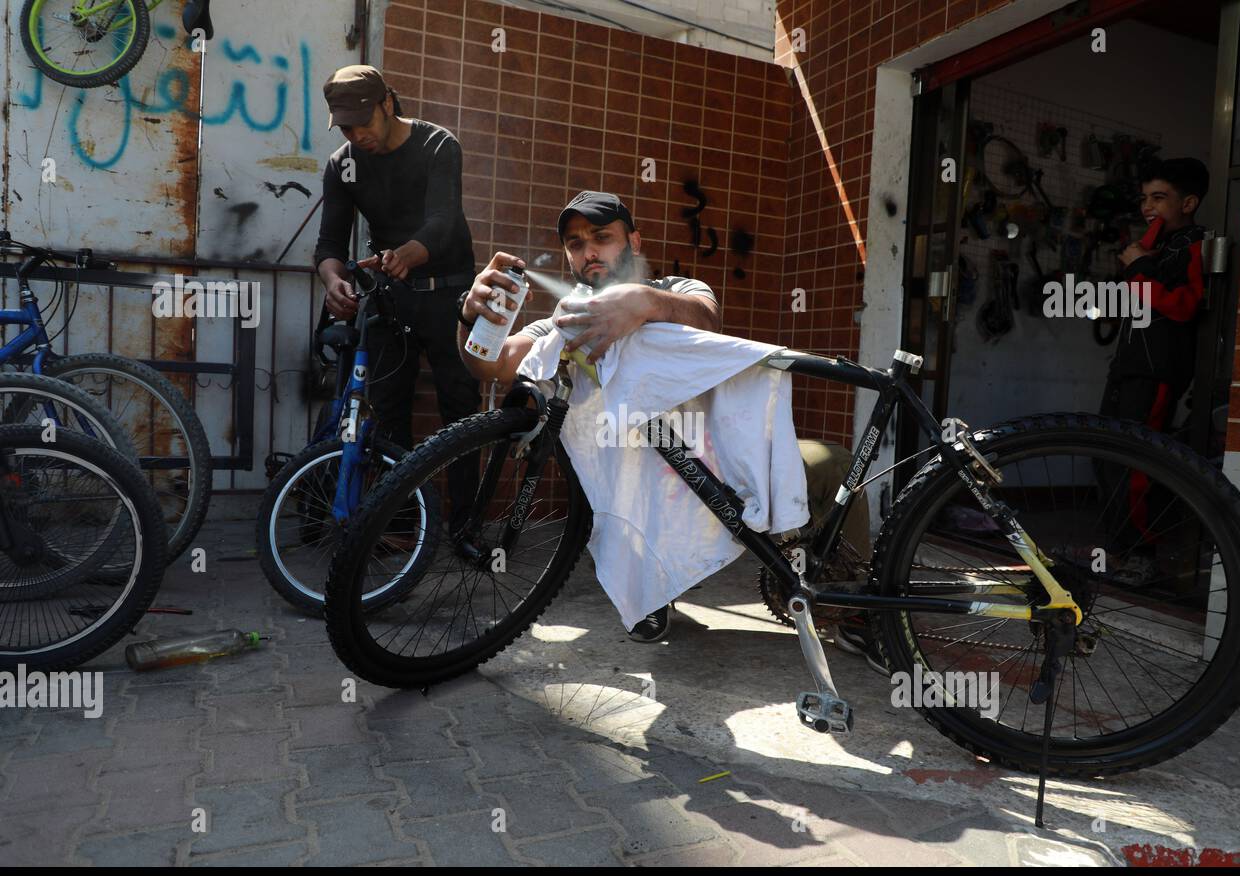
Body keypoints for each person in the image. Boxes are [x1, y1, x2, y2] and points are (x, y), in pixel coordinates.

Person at [455, 191, 879, 664]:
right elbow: (492, 366)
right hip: (638, 494)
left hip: (723, 468)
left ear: (633, 242)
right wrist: (470, 319)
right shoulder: (564, 321)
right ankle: (652, 589)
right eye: (576, 244)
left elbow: (707, 318)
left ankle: (854, 607)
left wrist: (642, 302)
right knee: (639, 542)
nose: (588, 251)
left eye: (602, 237)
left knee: (838, 465)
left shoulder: (675, 287)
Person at [312, 65, 481, 531]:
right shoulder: (341, 165)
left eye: (362, 120)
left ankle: (466, 527)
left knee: (461, 409)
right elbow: (329, 246)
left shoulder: (438, 145)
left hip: (451, 297)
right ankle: (403, 529)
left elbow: (445, 220)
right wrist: (333, 281)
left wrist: (410, 252)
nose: (356, 133)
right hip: (390, 297)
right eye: (345, 126)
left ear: (387, 103)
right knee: (387, 413)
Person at [1098, 158, 1209, 578]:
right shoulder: (1154, 244)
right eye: (1145, 198)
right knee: (1106, 458)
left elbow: (1184, 307)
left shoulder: (1195, 244)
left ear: (1189, 202)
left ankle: (1142, 555)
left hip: (1158, 369)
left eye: (1159, 198)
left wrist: (1140, 266)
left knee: (1135, 464)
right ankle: (1118, 549)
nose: (1148, 206)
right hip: (1128, 365)